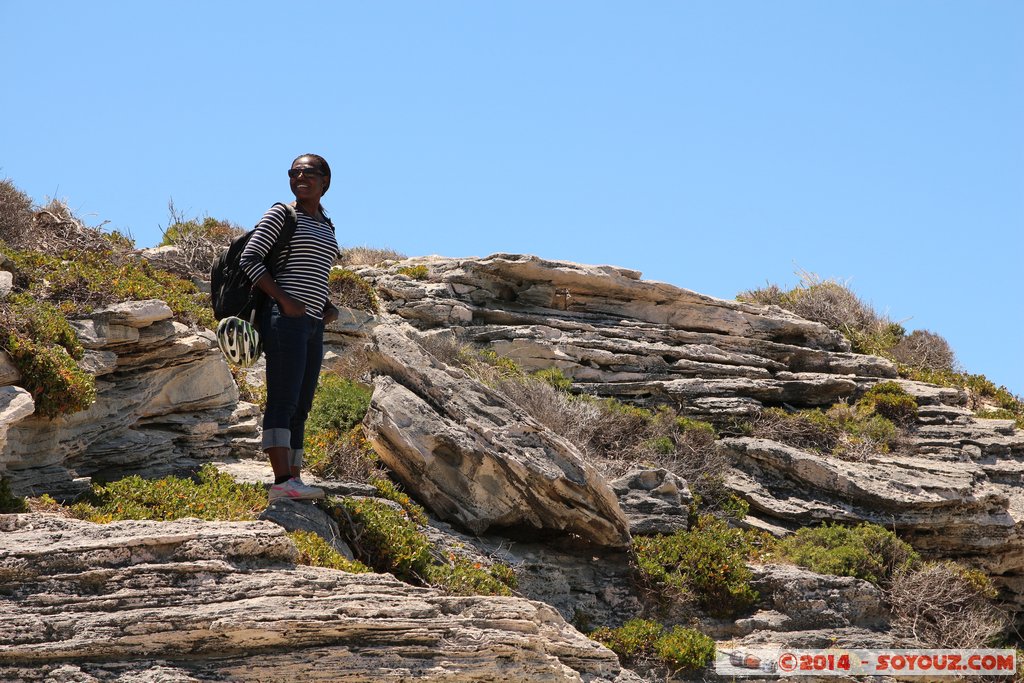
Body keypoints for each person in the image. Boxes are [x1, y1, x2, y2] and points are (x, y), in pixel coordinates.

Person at [240, 153, 341, 501]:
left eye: (309, 173)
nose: (301, 177)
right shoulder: (282, 214)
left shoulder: (326, 225)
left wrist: (325, 307)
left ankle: (295, 479)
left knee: (302, 404)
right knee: (283, 399)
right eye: (295, 172)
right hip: (283, 320)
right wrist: (284, 300)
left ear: (325, 181)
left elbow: (313, 270)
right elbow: (249, 259)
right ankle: (281, 480)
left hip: (312, 323)